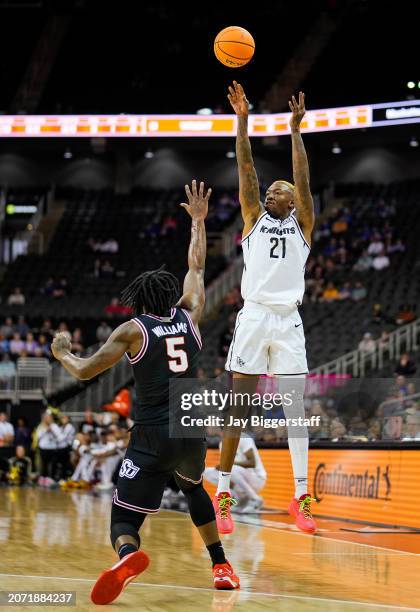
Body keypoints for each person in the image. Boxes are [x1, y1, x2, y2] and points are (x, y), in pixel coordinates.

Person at [52, 180, 239, 604]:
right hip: (191, 426)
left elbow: (84, 371)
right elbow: (197, 267)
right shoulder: (189, 312)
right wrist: (198, 222)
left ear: (139, 300)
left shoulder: (132, 331)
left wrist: (63, 353)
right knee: (195, 490)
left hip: (153, 431)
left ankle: (127, 555)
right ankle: (221, 566)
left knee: (123, 513)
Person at [214, 82, 316, 536]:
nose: (272, 191)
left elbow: (303, 177)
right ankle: (222, 494)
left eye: (281, 190)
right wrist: (242, 119)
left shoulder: (304, 223)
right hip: (254, 315)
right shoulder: (253, 218)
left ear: (292, 202)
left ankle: (299, 496)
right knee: (239, 407)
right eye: (270, 190)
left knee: (296, 408)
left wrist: (296, 131)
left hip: (288, 319)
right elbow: (246, 166)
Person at [204, 435, 266, 513]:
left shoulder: (244, 438)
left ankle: (255, 499)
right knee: (207, 472)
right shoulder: (222, 443)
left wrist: (228, 464)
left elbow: (252, 463)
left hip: (256, 478)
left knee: (230, 468)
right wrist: (223, 466)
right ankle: (239, 499)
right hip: (239, 476)